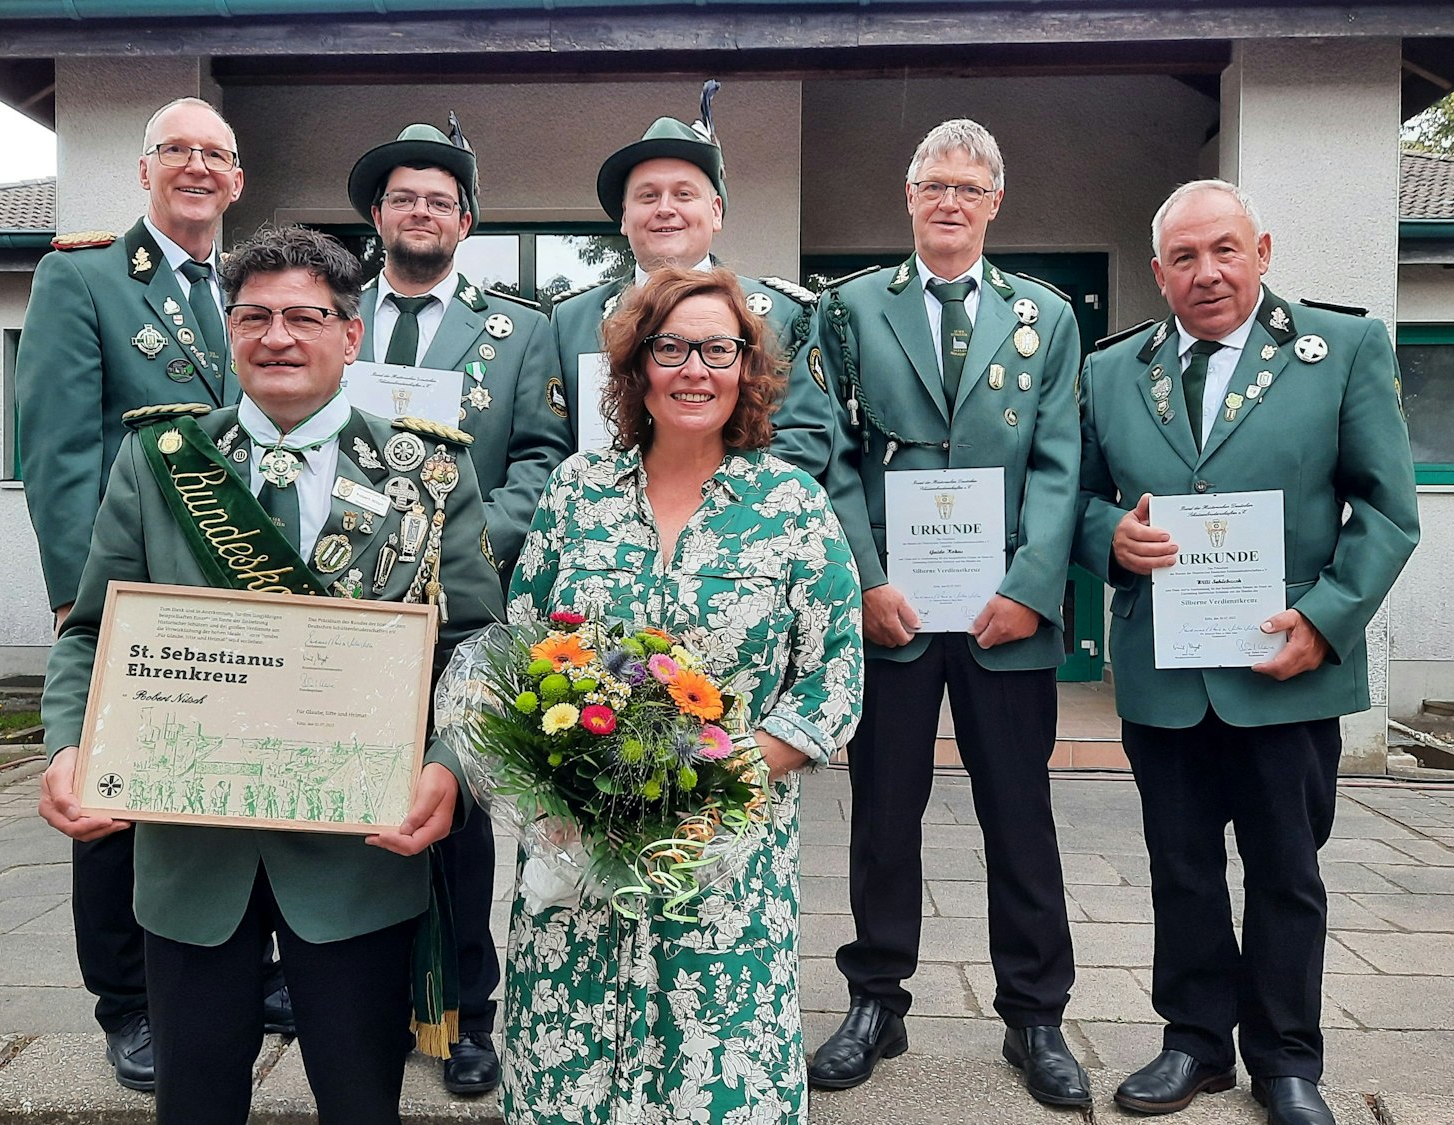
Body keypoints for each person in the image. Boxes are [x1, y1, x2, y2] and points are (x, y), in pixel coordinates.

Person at [37, 223, 505, 1125]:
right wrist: (66, 746)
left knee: (362, 1102)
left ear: (351, 332)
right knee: (194, 1105)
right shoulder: (161, 460)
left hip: (357, 856)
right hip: (190, 856)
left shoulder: (428, 472)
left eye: (304, 316)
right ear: (227, 329)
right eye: (252, 316)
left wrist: (447, 764)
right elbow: (89, 632)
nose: (277, 337)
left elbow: (477, 646)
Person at [1074, 180, 1418, 1125]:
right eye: (1183, 258)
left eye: (1224, 250)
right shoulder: (1112, 371)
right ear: (1158, 272)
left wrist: (1329, 618)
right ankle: (1193, 1042)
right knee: (1178, 864)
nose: (1207, 272)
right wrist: (1109, 535)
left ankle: (1286, 1060)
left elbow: (1388, 508)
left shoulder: (1341, 349)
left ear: (1261, 250)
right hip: (1167, 675)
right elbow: (1077, 497)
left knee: (1285, 870)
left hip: (1287, 670)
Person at [499, 267, 862, 1124]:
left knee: (717, 1068)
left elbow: (836, 668)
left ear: (745, 369)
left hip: (725, 847)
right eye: (671, 348)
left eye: (717, 349)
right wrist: (553, 774)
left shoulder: (791, 506)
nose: (694, 368)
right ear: (637, 367)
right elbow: (520, 644)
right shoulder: (575, 494)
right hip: (578, 846)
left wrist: (739, 766)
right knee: (570, 1069)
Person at [808, 118, 1089, 1107]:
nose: (949, 203)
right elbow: (826, 453)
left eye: (968, 188)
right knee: (882, 815)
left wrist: (1029, 585)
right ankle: (874, 1002)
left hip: (1001, 615)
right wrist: (864, 578)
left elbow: (1060, 461)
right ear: (908, 195)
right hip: (889, 609)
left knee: (1019, 815)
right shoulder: (844, 310)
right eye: (933, 185)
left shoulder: (1045, 317)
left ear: (994, 201)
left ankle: (1035, 1015)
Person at [12, 95, 289, 1090]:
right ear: (144, 169)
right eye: (177, 150)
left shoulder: (252, 288)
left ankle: (244, 967)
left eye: (216, 153)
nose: (198, 168)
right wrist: (73, 596)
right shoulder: (83, 278)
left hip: (252, 594)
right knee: (113, 793)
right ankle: (126, 1002)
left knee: (235, 776)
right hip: (134, 591)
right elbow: (55, 452)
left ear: (238, 178)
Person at [346, 118, 571, 1095]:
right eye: (405, 197)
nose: (422, 211)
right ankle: (362, 1003)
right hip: (340, 607)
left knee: (457, 814)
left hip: (458, 606)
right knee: (350, 803)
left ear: (464, 220)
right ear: (376, 214)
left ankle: (462, 1017)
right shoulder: (328, 313)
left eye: (440, 199)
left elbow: (538, 460)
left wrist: (462, 538)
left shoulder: (517, 332)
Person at [552, 81, 834, 483]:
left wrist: (703, 507)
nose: (666, 209)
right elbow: (552, 444)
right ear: (624, 217)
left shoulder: (787, 315)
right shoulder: (570, 321)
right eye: (648, 197)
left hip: (741, 532)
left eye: (684, 194)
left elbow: (803, 440)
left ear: (715, 212)